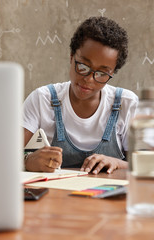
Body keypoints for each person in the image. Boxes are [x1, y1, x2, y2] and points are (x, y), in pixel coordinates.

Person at [23, 16, 138, 174]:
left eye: (102, 73)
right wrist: (27, 161)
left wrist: (117, 162)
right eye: (83, 66)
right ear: (72, 57)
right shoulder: (43, 99)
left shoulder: (126, 103)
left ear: (112, 73)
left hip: (109, 197)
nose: (89, 79)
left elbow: (147, 165)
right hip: (56, 197)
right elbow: (3, 155)